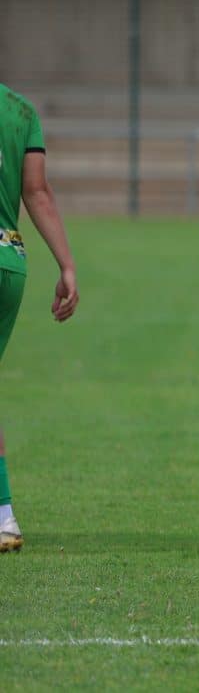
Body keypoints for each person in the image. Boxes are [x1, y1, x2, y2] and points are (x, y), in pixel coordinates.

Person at [0, 84, 80, 553]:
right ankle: (4, 516)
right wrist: (66, 264)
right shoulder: (21, 110)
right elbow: (37, 191)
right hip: (9, 262)